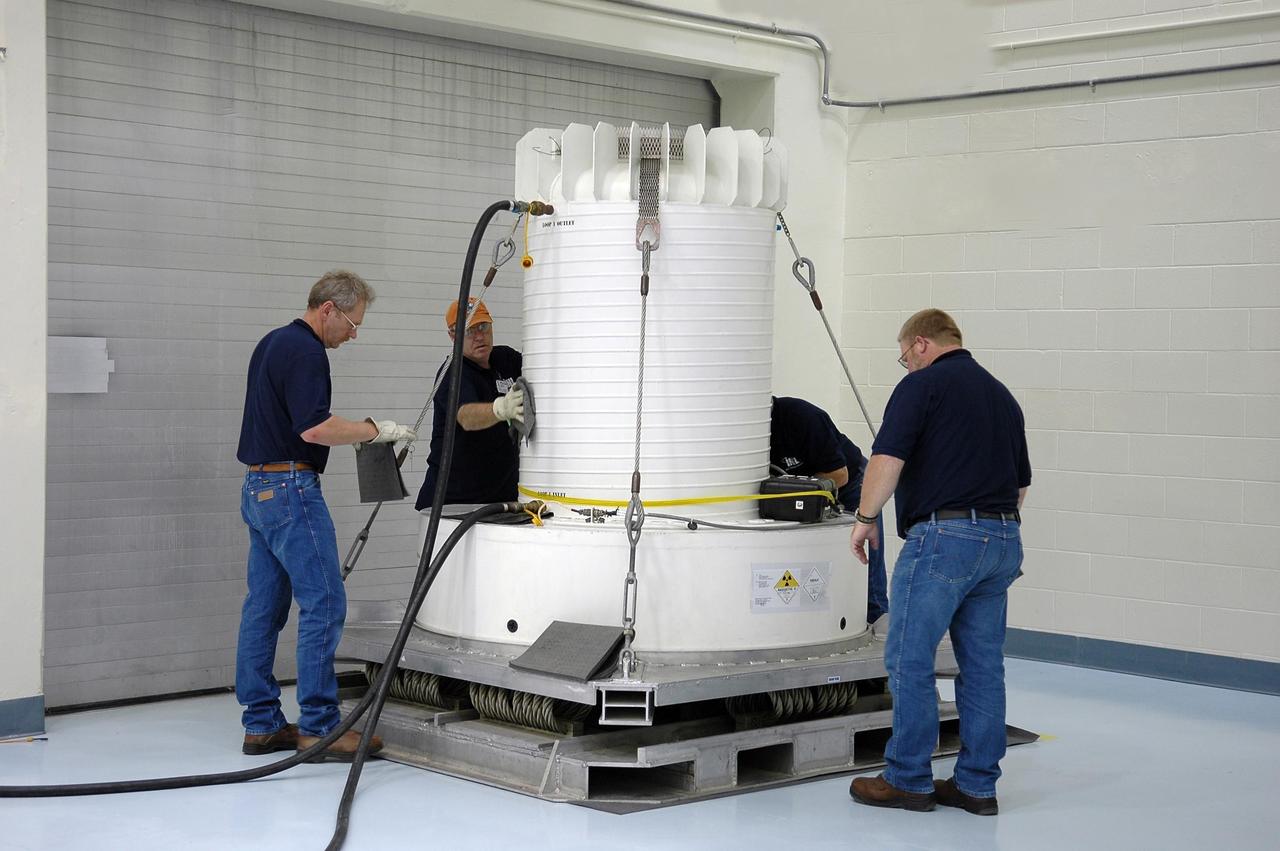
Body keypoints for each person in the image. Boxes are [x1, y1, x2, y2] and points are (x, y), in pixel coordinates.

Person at [847, 308, 1029, 816]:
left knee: (908, 657)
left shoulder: (921, 386)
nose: (905, 366)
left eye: (904, 357)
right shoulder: (1002, 396)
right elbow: (1021, 485)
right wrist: (988, 531)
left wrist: (865, 517)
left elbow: (887, 458)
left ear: (921, 344)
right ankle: (976, 786)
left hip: (943, 538)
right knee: (983, 667)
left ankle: (907, 778)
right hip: (1003, 537)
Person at [235, 270, 416, 762]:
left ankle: (261, 724)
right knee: (325, 603)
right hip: (292, 490)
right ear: (329, 309)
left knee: (264, 609)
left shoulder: (272, 343)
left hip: (258, 488)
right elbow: (314, 428)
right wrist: (374, 430)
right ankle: (319, 726)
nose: (353, 335)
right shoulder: (308, 351)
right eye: (352, 324)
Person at [770, 396, 888, 631]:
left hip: (849, 483)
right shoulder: (747, 436)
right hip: (801, 492)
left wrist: (800, 489)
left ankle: (877, 614)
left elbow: (840, 474)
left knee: (865, 550)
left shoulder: (802, 417)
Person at [415, 297, 524, 510]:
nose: (479, 336)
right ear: (452, 336)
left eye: (483, 326)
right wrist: (500, 409)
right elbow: (466, 416)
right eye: (468, 331)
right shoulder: (452, 372)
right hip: (453, 503)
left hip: (501, 499)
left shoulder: (506, 359)